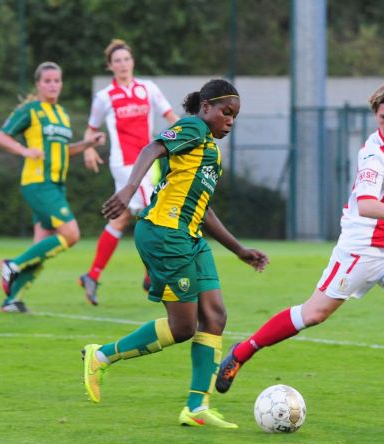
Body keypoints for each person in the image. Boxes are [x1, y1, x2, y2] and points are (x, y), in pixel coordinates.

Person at [215, 77, 384, 396]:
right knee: (313, 314)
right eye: (383, 119)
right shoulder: (373, 155)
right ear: (376, 117)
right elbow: (366, 205)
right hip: (361, 250)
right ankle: (242, 352)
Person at [81, 79, 269, 428]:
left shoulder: (210, 151)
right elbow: (152, 147)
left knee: (215, 316)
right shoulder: (193, 128)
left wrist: (239, 250)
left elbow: (205, 208)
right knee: (182, 328)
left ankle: (196, 407)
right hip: (165, 234)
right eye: (226, 113)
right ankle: (101, 356)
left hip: (191, 237)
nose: (230, 120)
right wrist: (130, 187)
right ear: (206, 107)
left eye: (235, 116)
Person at [0, 61, 106, 313]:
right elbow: (1, 137)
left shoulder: (63, 114)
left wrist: (87, 143)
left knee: (42, 246)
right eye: (47, 81)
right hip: (38, 183)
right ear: (38, 84)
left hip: (56, 185)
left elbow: (63, 151)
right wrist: (24, 150)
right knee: (71, 235)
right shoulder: (31, 110)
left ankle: (12, 299)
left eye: (57, 80)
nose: (53, 85)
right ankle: (12, 265)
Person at [79, 39, 180, 306]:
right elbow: (91, 130)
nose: (122, 64)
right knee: (152, 213)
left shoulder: (148, 89)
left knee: (121, 219)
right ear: (110, 66)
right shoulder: (104, 97)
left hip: (150, 162)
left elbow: (171, 118)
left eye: (126, 59)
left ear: (132, 62)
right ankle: (153, 277)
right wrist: (89, 148)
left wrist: (191, 136)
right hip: (125, 164)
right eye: (117, 61)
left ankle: (92, 275)